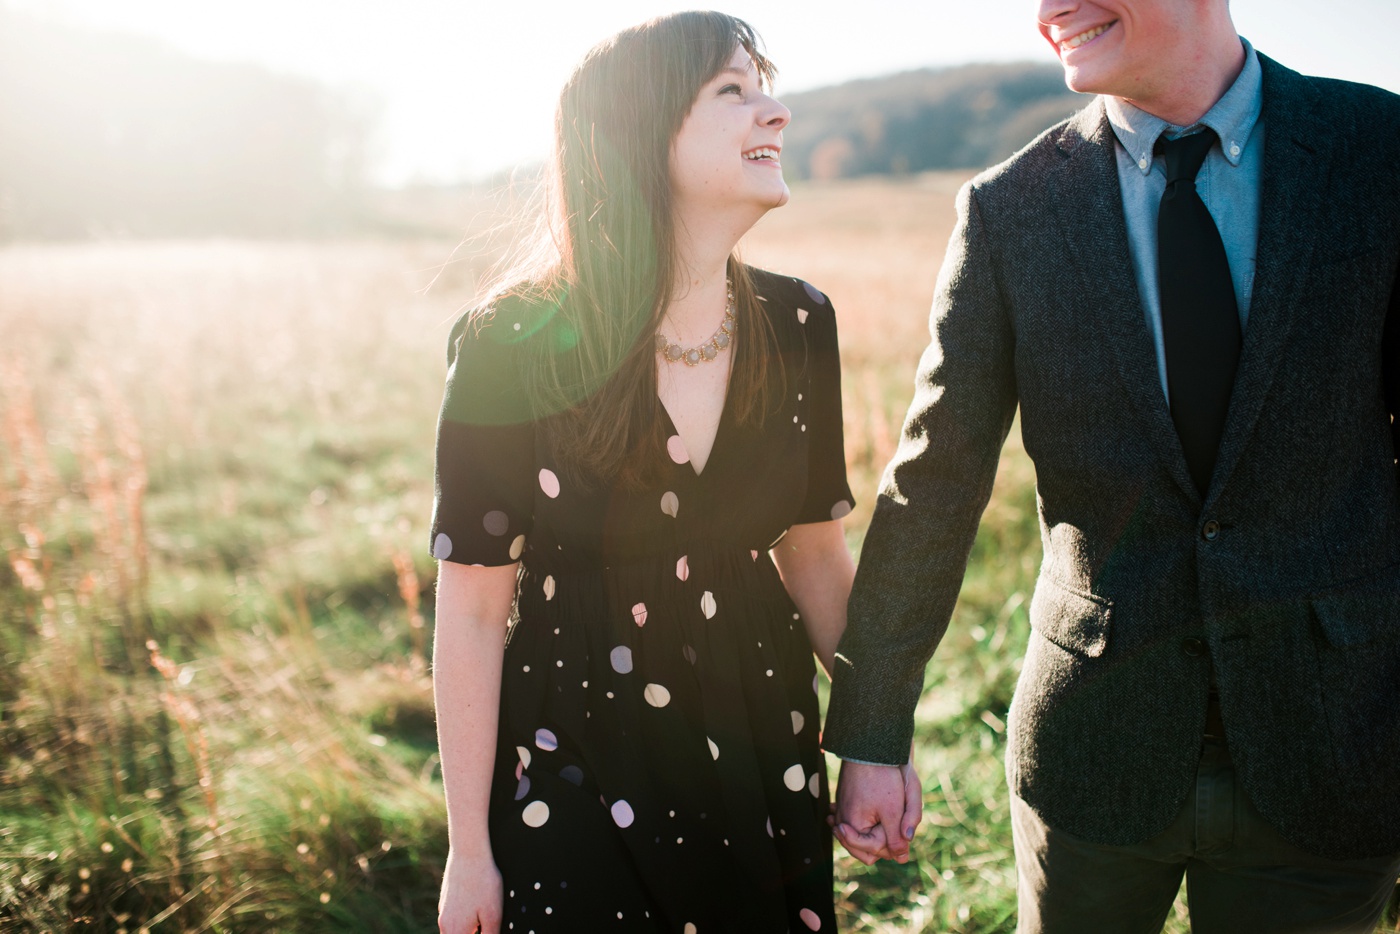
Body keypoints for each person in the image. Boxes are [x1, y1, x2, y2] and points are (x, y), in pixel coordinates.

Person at [822, 0, 1400, 930]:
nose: (1050, 10)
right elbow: (936, 483)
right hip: (1091, 758)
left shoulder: (1379, 149)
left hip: (1334, 749)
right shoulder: (1008, 208)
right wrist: (873, 732)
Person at [429, 12, 877, 933]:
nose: (777, 112)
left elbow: (818, 558)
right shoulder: (512, 342)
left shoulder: (798, 325)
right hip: (574, 748)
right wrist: (469, 850)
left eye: (768, 85)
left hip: (764, 741)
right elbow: (472, 609)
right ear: (642, 129)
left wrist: (875, 740)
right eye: (734, 91)